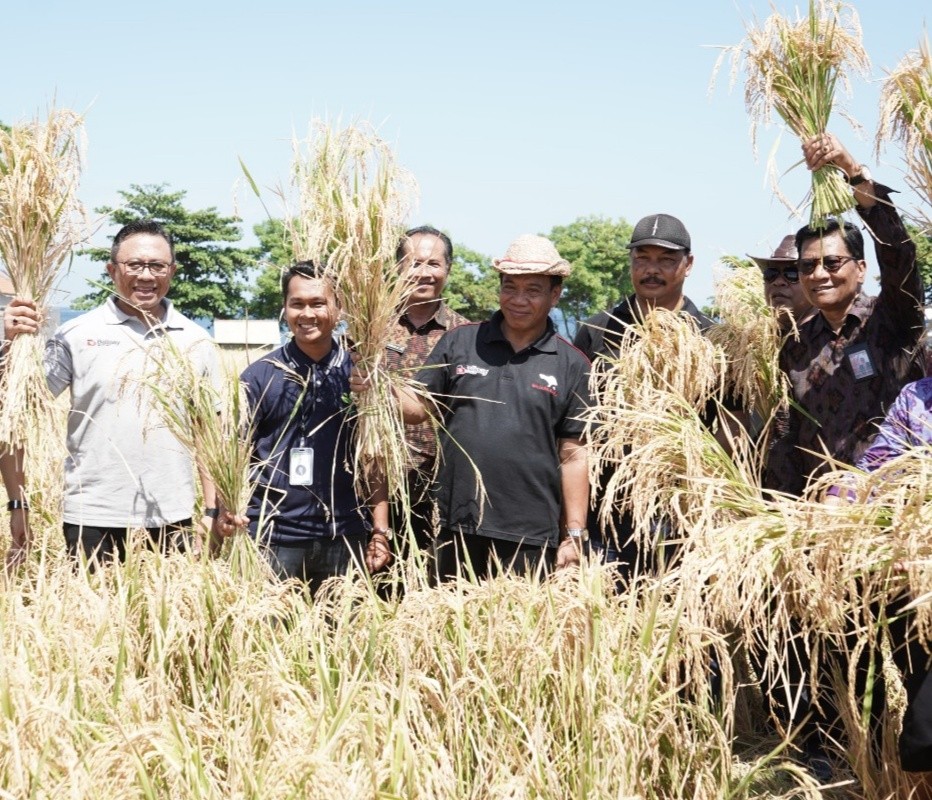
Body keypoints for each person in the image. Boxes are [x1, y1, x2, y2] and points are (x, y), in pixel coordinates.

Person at [353, 234, 590, 581]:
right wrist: (377, 387)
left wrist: (574, 534)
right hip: (456, 525)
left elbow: (574, 456)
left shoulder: (571, 363)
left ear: (555, 295)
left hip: (530, 532)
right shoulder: (462, 341)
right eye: (510, 287)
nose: (518, 300)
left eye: (533, 290)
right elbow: (420, 407)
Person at [1, 219, 219, 565]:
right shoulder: (75, 334)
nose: (146, 276)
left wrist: (211, 510)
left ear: (172, 271)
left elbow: (209, 434)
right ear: (111, 270)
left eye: (157, 266)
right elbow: (18, 410)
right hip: (93, 516)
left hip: (171, 517)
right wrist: (12, 345)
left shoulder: (195, 340)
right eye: (134, 265)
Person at [765, 132, 926, 497]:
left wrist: (853, 172)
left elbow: (898, 254)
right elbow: (786, 440)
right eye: (806, 267)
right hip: (825, 524)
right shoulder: (797, 347)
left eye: (832, 262)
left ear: (861, 268)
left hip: (898, 515)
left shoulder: (894, 320)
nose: (819, 274)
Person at [219, 262, 390, 593]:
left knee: (341, 640)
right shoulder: (260, 375)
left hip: (345, 534)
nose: (307, 313)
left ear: (339, 309)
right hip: (271, 536)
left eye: (318, 303)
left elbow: (376, 456)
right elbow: (229, 452)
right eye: (297, 304)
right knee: (268, 637)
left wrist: (379, 530)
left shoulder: (360, 374)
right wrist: (225, 509)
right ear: (284, 308)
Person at [573, 213, 713, 576]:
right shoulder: (598, 329)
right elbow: (574, 424)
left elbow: (731, 428)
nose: (652, 270)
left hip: (679, 510)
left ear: (688, 264)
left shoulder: (710, 338)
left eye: (666, 260)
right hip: (606, 509)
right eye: (642, 259)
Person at [385, 226, 468, 563]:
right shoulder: (370, 328)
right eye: (414, 263)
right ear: (397, 269)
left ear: (448, 269)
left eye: (434, 264)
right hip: (373, 487)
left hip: (440, 490)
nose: (424, 273)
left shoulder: (466, 336)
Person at [749, 235, 815, 328]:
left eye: (792, 274)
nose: (778, 282)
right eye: (771, 274)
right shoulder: (756, 338)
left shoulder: (832, 337)